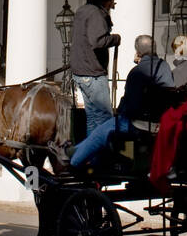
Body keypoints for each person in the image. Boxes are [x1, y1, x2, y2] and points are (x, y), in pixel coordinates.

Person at [70, 34, 173, 170]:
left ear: (138, 52)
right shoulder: (165, 67)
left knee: (102, 130)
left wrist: (119, 111)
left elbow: (131, 107)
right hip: (160, 122)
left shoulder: (137, 72)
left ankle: (74, 160)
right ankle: (74, 151)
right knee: (107, 126)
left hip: (139, 124)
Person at [70, 0, 120, 133]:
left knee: (92, 117)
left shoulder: (82, 10)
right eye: (113, 0)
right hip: (93, 74)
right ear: (109, 0)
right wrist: (115, 39)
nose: (113, 4)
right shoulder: (96, 14)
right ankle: (100, 154)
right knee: (104, 118)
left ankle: (92, 153)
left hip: (81, 73)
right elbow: (97, 41)